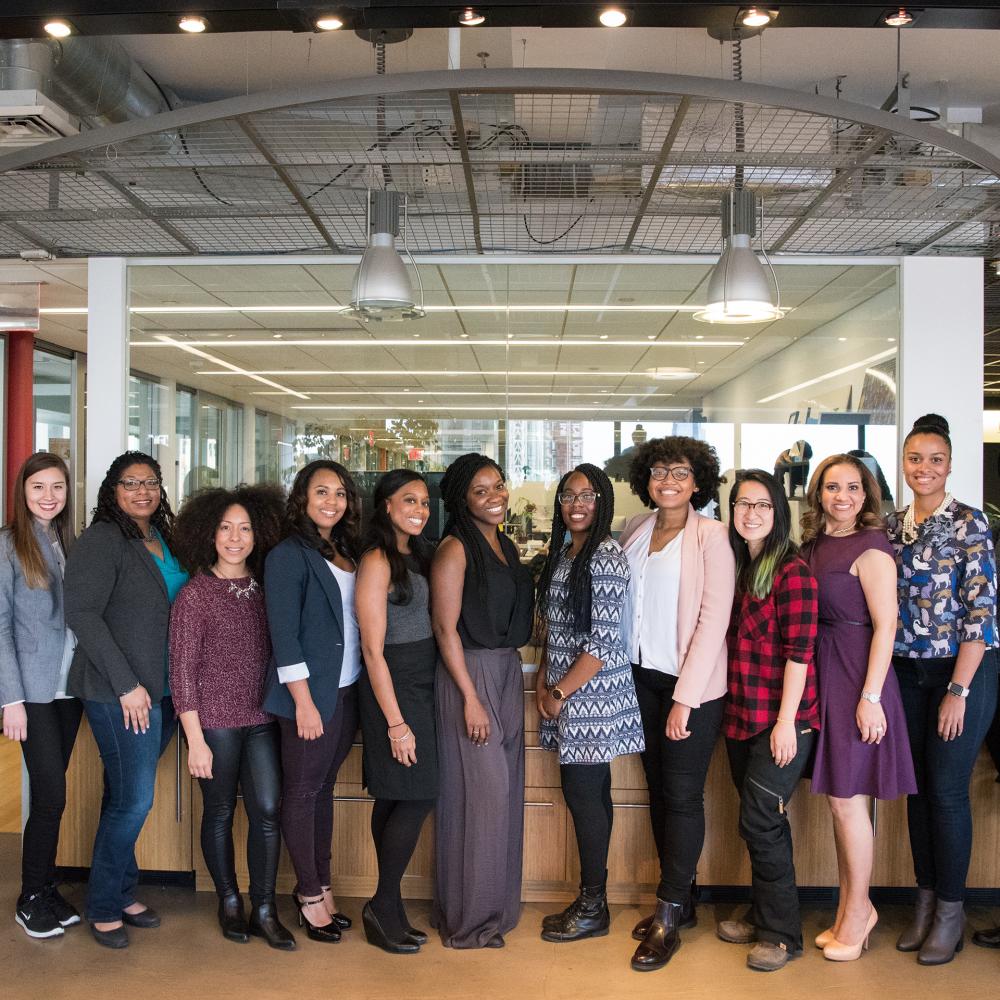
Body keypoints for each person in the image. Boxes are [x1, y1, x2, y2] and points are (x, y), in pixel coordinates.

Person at [620, 436, 735, 973]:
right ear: (647, 478)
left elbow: (714, 620)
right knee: (658, 793)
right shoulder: (636, 530)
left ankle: (667, 917)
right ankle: (680, 900)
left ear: (698, 482)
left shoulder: (711, 536)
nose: (669, 480)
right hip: (641, 678)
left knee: (684, 797)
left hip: (692, 687)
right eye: (660, 471)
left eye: (681, 472)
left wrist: (685, 700)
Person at [64, 451, 188, 949]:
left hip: (166, 689)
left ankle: (119, 887)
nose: (143, 491)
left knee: (123, 797)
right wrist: (125, 685)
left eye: (151, 483)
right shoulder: (102, 540)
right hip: (123, 694)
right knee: (134, 800)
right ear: (111, 490)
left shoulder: (163, 537)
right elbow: (83, 615)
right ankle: (102, 904)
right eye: (130, 483)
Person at [887, 414, 999, 964]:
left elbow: (981, 613)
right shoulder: (892, 526)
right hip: (908, 672)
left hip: (963, 670)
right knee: (917, 791)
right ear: (903, 464)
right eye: (915, 458)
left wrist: (958, 689)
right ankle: (925, 903)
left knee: (948, 791)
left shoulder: (969, 523)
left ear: (950, 465)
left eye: (935, 459)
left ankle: (951, 913)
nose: (924, 468)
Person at [169, 484, 294, 949]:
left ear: (259, 533)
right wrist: (195, 740)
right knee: (219, 811)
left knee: (266, 809)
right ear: (209, 533)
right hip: (214, 723)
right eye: (226, 529)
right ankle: (230, 901)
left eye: (245, 529)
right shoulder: (195, 596)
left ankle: (264, 908)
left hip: (261, 717)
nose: (236, 538)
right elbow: (181, 673)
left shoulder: (266, 589)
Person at [801, 454, 915, 963]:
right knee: (838, 801)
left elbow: (886, 626)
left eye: (851, 488)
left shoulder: (873, 548)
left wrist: (870, 698)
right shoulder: (813, 545)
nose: (841, 497)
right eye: (831, 487)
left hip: (856, 678)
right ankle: (852, 908)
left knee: (850, 801)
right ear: (817, 493)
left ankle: (858, 913)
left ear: (866, 495)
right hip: (823, 673)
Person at [535, 464, 643, 943]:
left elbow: (602, 641)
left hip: (591, 697)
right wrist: (544, 680)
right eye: (568, 495)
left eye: (588, 495)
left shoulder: (606, 556)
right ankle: (592, 899)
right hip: (567, 690)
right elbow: (555, 632)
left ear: (603, 503)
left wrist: (559, 692)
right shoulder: (563, 554)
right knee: (590, 796)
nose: (577, 504)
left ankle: (593, 904)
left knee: (584, 798)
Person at [430, 453, 534, 949]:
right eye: (480, 490)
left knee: (504, 797)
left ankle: (494, 912)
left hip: (507, 672)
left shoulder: (506, 545)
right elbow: (444, 628)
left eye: (499, 485)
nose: (495, 496)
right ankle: (469, 921)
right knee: (480, 800)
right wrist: (470, 697)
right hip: (469, 675)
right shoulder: (455, 548)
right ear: (460, 500)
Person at [718, 470, 819, 972]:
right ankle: (763, 913)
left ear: (778, 513)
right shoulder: (740, 566)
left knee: (761, 820)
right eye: (742, 504)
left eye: (762, 505)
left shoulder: (791, 571)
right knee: (758, 821)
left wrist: (785, 721)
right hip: (741, 714)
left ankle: (781, 935)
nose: (750, 513)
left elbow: (799, 654)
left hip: (783, 720)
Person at [262, 459, 361, 943]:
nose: (332, 502)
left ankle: (324, 885)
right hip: (309, 696)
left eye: (340, 493)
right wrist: (302, 702)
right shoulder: (287, 555)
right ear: (302, 498)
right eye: (322, 492)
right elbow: (284, 634)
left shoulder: (343, 550)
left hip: (345, 689)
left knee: (322, 790)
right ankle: (307, 896)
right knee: (302, 793)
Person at [355, 470, 438, 954]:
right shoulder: (377, 559)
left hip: (423, 680)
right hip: (395, 683)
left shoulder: (418, 552)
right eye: (409, 500)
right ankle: (384, 904)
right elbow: (372, 648)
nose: (419, 509)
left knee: (393, 796)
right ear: (386, 505)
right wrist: (396, 723)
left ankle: (387, 907)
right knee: (416, 794)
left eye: (425, 501)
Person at [1, 453, 80, 939]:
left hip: (70, 688)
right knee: (50, 795)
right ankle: (30, 896)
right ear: (22, 493)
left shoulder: (68, 541)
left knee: (54, 794)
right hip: (32, 692)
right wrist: (9, 700)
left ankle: (47, 886)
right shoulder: (9, 546)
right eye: (38, 488)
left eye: (57, 488)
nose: (48, 497)